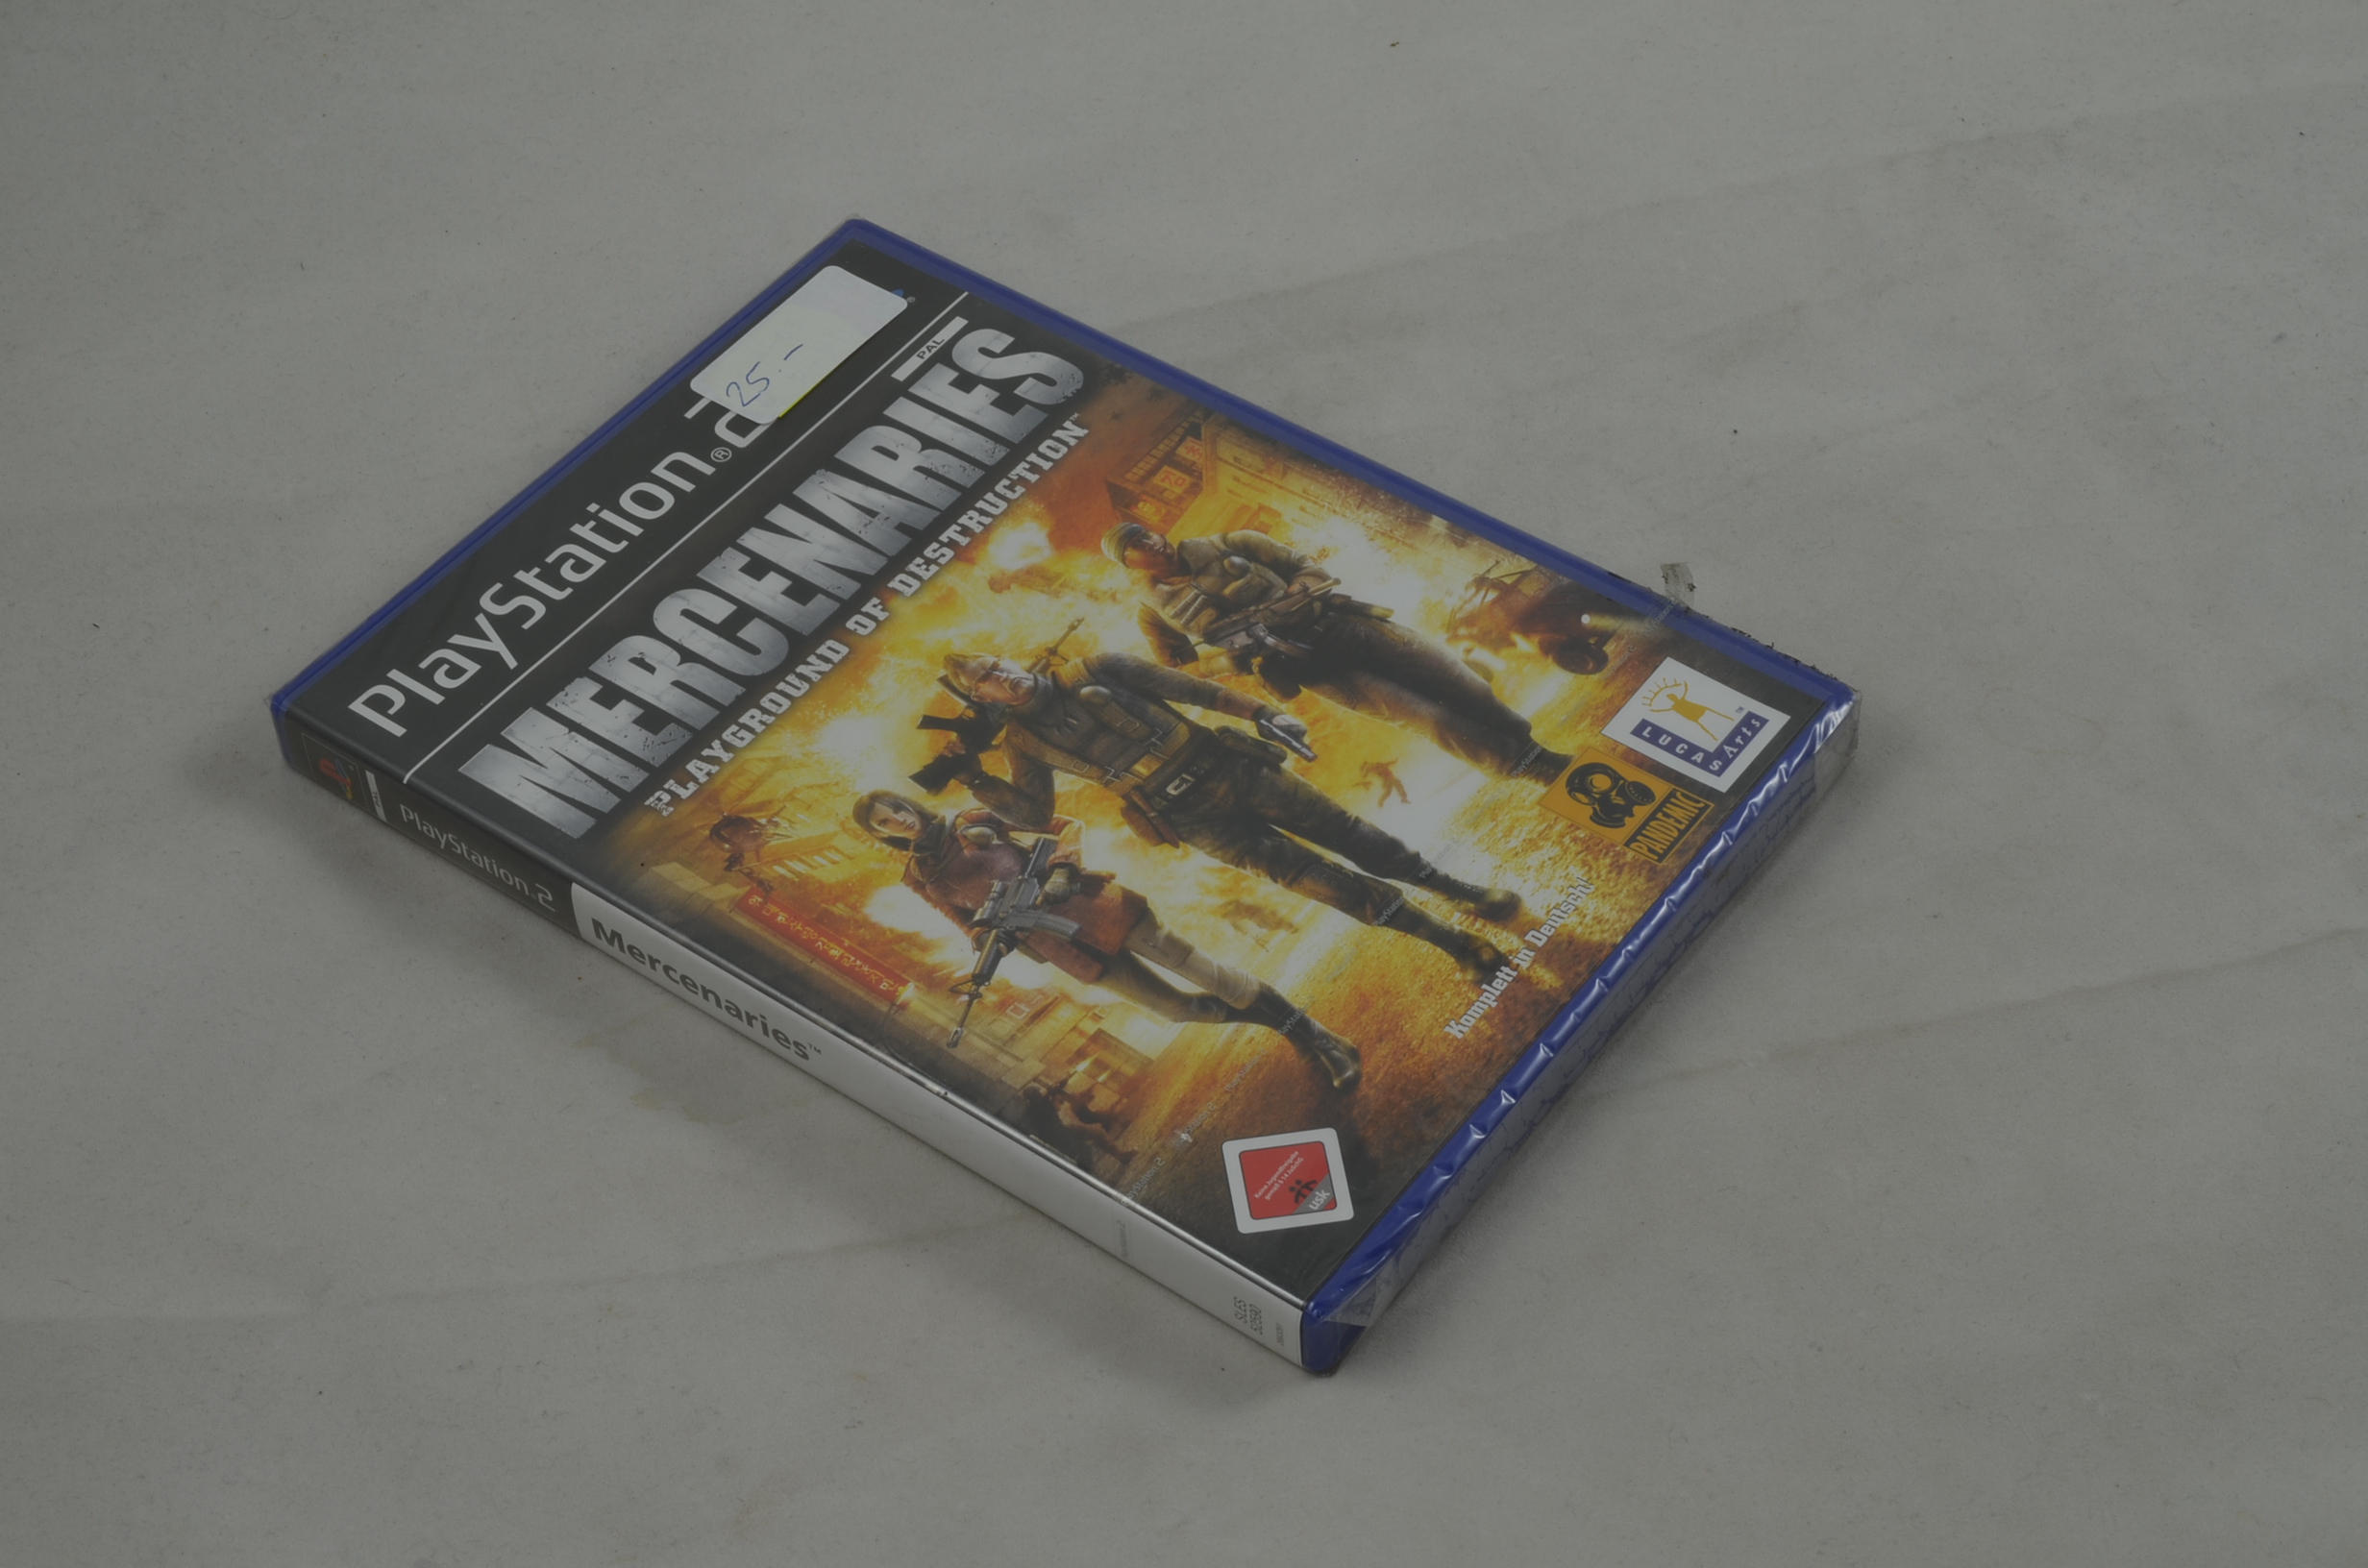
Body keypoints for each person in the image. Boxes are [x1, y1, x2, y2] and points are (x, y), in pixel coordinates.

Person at [937, 649, 1518, 985]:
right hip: (1187, 817)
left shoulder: (1096, 667)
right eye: (985, 680)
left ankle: (1463, 892)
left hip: (1232, 768)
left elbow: (1192, 689)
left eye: (995, 663)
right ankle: (1452, 942)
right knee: (1320, 883)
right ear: (982, 698)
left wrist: (1264, 713)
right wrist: (975, 778)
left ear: (1008, 658)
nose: (999, 676)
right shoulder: (1023, 743)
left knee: (1357, 839)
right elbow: (1035, 812)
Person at [851, 790, 1364, 1090]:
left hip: (1095, 907)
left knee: (1210, 976)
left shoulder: (972, 818)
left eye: (895, 808)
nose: (897, 819)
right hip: (1061, 947)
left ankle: (1319, 1039)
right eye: (884, 822)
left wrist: (1061, 869)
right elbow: (960, 919)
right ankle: (1285, 1027)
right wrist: (989, 942)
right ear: (881, 834)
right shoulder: (917, 876)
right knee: (1176, 1009)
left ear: (907, 802)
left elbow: (1063, 824)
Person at [1106, 520, 1572, 782]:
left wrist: (1294, 595)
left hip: (1350, 627)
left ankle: (1534, 749)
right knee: (1429, 718)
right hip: (1314, 669)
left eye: (1144, 532)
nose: (1148, 541)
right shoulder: (1154, 611)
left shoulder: (1232, 543)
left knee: (1462, 684)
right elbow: (1178, 664)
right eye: (1134, 545)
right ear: (1129, 563)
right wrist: (1234, 658)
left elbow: (1307, 566)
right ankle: (1528, 769)